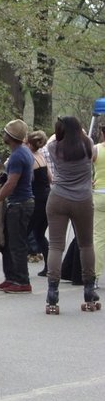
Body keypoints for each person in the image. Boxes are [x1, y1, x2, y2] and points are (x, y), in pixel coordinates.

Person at [44, 116, 97, 312]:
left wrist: (60, 131)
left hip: (58, 197)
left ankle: (52, 292)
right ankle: (89, 289)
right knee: (86, 244)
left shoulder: (54, 148)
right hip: (82, 199)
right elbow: (84, 139)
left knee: (56, 246)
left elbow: (49, 140)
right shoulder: (88, 145)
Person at [0, 119, 35, 293]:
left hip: (19, 205)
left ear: (12, 136)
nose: (3, 135)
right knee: (7, 243)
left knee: (17, 244)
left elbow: (11, 184)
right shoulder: (24, 152)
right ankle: (11, 277)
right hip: (20, 202)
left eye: (6, 132)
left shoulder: (17, 155)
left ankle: (22, 281)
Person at [26, 130, 52, 277]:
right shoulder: (41, 157)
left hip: (36, 199)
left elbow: (28, 180)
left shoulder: (30, 159)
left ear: (29, 143)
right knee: (39, 233)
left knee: (26, 231)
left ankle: (18, 268)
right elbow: (50, 178)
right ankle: (49, 265)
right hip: (47, 197)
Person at [93, 124, 105, 290]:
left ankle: (94, 276)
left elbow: (83, 168)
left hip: (100, 193)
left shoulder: (95, 150)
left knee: (98, 236)